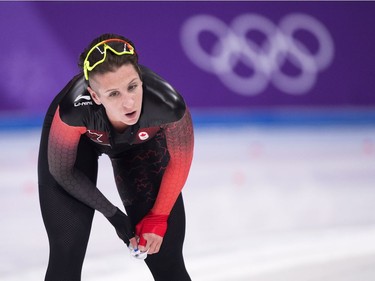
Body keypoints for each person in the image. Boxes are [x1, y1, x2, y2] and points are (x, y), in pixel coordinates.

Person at [37, 33, 194, 281]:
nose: (129, 102)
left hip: (139, 146)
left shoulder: (167, 104)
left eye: (132, 86)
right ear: (95, 96)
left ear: (141, 78)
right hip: (80, 144)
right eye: (113, 94)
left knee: (166, 258)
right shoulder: (73, 110)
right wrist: (114, 215)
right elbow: (63, 172)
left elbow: (180, 162)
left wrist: (159, 216)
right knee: (66, 251)